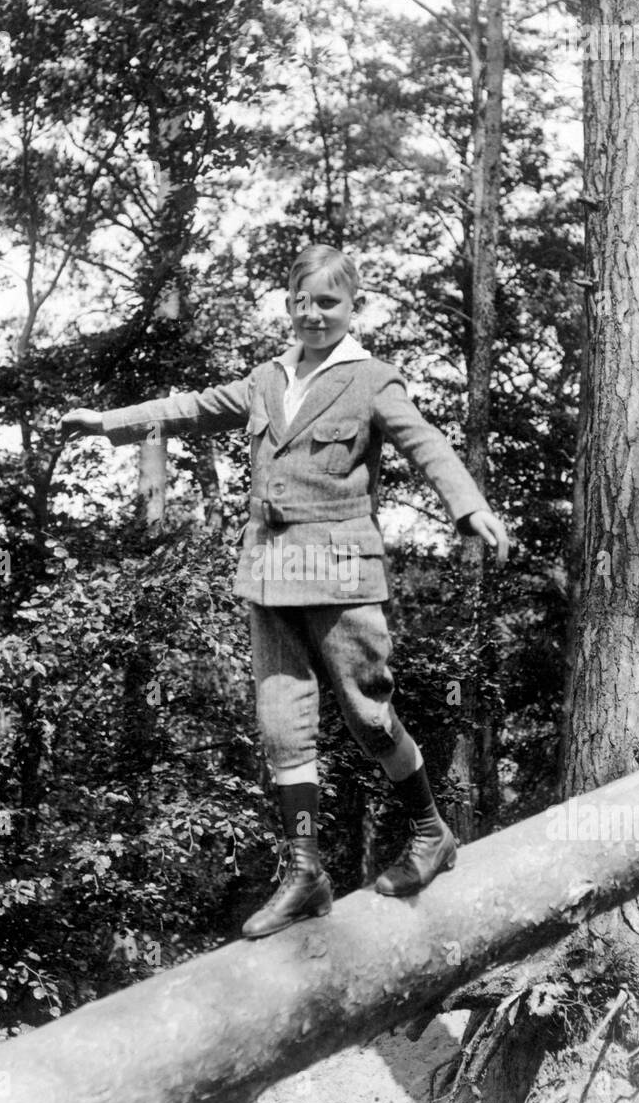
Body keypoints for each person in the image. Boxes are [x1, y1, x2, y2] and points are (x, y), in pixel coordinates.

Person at [61, 243, 509, 939]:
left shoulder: (372, 379)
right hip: (268, 572)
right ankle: (306, 871)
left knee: (368, 718)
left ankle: (431, 831)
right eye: (300, 302)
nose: (311, 315)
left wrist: (468, 505)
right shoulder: (267, 379)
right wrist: (109, 423)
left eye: (326, 302)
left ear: (353, 306)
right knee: (282, 729)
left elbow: (427, 444)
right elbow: (191, 408)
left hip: (339, 569)